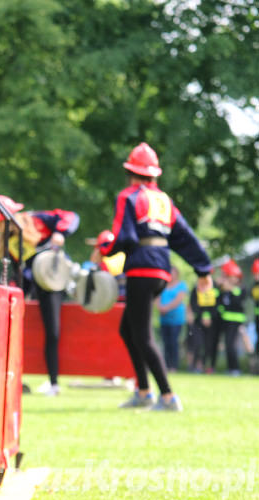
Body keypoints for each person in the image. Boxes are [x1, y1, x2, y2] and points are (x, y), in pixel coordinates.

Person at [94, 142, 212, 411]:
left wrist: (104, 248)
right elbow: (185, 237)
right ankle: (144, 391)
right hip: (160, 271)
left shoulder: (129, 196)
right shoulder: (164, 200)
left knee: (143, 335)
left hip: (141, 270)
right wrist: (203, 269)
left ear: (130, 171)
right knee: (128, 329)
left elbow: (123, 237)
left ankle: (168, 396)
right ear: (154, 173)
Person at [0, 195, 79, 396]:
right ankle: (11, 377)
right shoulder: (9, 242)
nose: (2, 227)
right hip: (34, 282)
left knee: (53, 331)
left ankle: (53, 383)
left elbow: (71, 217)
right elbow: (19, 271)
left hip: (54, 279)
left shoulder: (38, 219)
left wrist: (59, 232)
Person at [216, 259, 248, 376]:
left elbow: (238, 296)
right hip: (226, 321)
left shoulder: (241, 288)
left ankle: (235, 369)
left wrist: (226, 285)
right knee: (228, 344)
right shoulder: (225, 289)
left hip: (236, 321)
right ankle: (231, 369)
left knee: (231, 345)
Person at [156, 266, 188, 372]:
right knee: (166, 342)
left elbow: (178, 299)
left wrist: (166, 308)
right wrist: (160, 307)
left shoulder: (181, 285)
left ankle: (173, 366)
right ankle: (165, 365)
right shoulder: (162, 284)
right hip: (164, 319)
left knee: (173, 342)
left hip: (176, 319)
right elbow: (157, 297)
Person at [186, 279, 219, 373]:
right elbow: (193, 305)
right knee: (197, 344)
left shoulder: (215, 288)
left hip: (212, 322)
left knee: (210, 345)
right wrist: (202, 316)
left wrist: (209, 316)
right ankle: (194, 367)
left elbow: (217, 304)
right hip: (198, 322)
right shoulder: (195, 289)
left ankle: (208, 367)